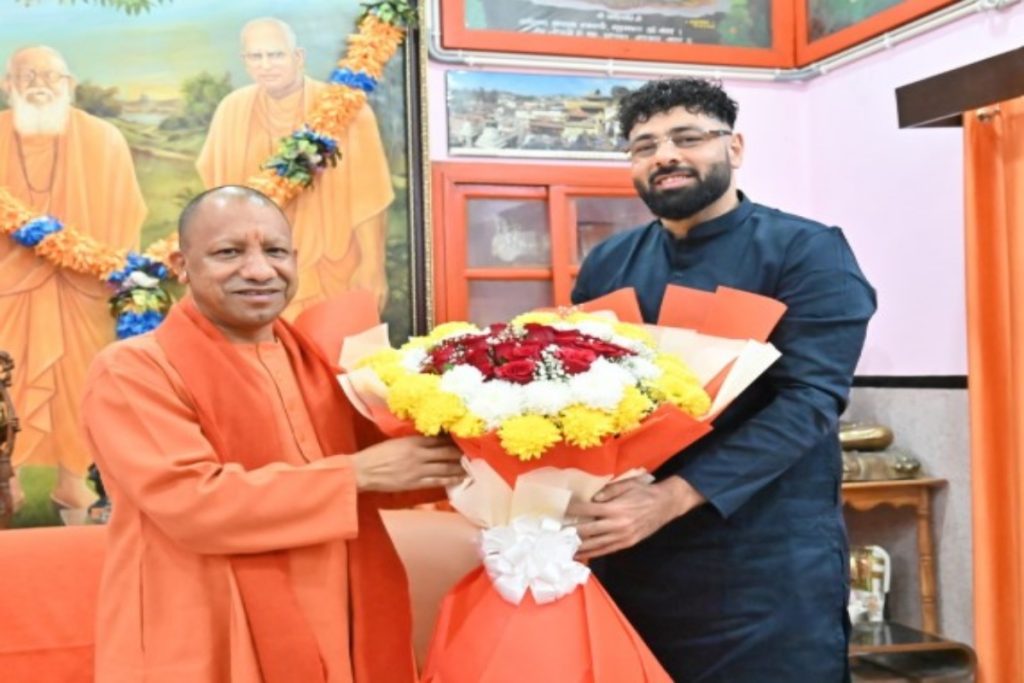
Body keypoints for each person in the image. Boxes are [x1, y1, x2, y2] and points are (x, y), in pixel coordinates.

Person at [80, 185, 464, 682]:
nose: (260, 270)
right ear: (181, 264)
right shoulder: (134, 370)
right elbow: (192, 502)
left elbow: (395, 468)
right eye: (229, 252)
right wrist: (354, 475)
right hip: (208, 625)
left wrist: (499, 450)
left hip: (338, 614)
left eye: (276, 251)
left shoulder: (318, 363)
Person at [568, 78, 876, 682]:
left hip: (763, 561)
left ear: (734, 148)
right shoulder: (609, 262)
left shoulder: (807, 251)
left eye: (688, 138)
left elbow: (809, 403)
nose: (665, 155)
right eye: (645, 146)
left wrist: (671, 498)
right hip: (633, 554)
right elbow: (584, 390)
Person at [0, 45, 146, 512]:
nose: (39, 85)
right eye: (27, 76)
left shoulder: (103, 140)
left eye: (51, 76)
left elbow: (125, 216)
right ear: (8, 85)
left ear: (70, 85)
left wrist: (79, 259)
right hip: (7, 291)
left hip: (82, 289)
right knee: (7, 380)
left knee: (80, 383)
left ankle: (74, 480)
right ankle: (6, 478)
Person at [197, 17, 393, 317]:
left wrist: (372, 265)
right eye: (256, 56)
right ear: (245, 61)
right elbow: (216, 196)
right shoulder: (231, 110)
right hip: (253, 273)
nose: (266, 65)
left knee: (333, 345)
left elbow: (370, 196)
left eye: (275, 54)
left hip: (331, 265)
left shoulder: (345, 109)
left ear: (298, 57)